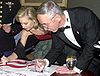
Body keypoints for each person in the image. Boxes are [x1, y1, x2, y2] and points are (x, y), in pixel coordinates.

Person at [35, 0, 100, 75]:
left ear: (57, 18)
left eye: (45, 24)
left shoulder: (84, 15)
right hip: (88, 57)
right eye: (42, 25)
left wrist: (76, 68)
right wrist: (45, 61)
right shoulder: (55, 27)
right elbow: (56, 48)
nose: (45, 28)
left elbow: (91, 46)